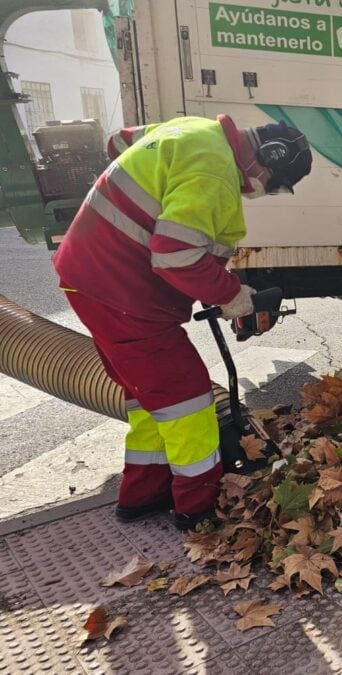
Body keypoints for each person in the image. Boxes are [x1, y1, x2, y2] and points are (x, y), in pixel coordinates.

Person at [52, 115, 312, 529]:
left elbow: (117, 144)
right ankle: (199, 507)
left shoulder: (191, 129)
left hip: (88, 275)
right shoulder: (215, 171)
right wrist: (233, 298)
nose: (262, 191)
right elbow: (175, 255)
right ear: (266, 159)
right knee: (187, 398)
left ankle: (143, 493)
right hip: (124, 291)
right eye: (272, 183)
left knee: (149, 398)